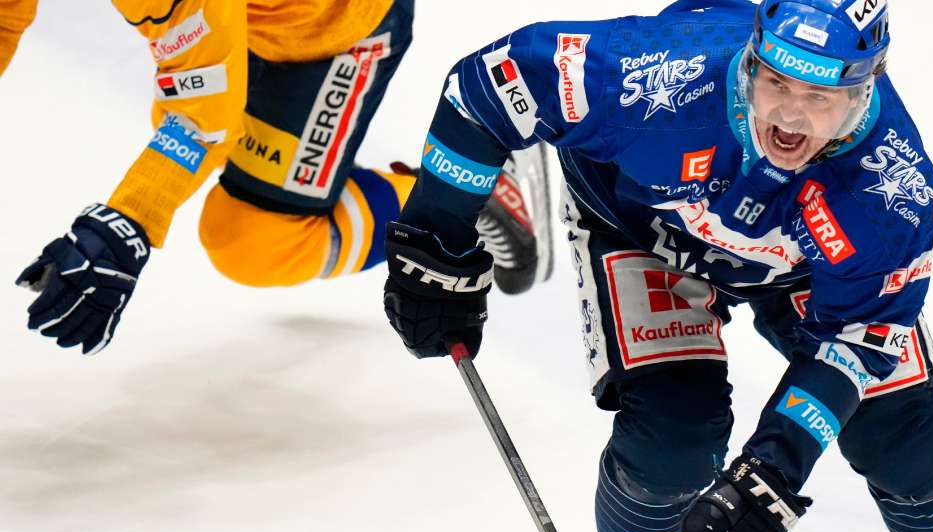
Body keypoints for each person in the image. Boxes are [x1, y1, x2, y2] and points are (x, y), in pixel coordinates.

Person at [381, 0, 933, 532]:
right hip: (640, 230)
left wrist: (770, 478)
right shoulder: (656, 74)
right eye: (776, 83)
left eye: (821, 95)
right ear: (753, 58)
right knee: (673, 441)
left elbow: (858, 338)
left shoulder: (893, 192)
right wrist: (434, 241)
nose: (790, 117)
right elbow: (489, 89)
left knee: (906, 433)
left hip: (803, 272)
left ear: (867, 88)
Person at [4, 0, 550, 355]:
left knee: (252, 242)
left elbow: (201, 104)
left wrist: (130, 219)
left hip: (328, 30)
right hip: (244, 22)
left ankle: (461, 187)